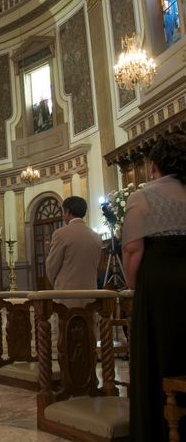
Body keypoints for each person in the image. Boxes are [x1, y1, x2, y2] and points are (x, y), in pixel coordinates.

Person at [122, 133, 186, 442]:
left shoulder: (144, 195)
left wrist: (132, 284)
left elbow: (133, 248)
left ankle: (157, 430)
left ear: (153, 165)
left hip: (159, 283)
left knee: (158, 357)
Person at [45, 196, 102, 307]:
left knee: (66, 324)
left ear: (68, 212)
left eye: (63, 212)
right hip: (90, 296)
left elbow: (51, 266)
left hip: (66, 296)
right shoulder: (96, 237)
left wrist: (57, 284)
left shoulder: (60, 234)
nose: (63, 216)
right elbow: (97, 265)